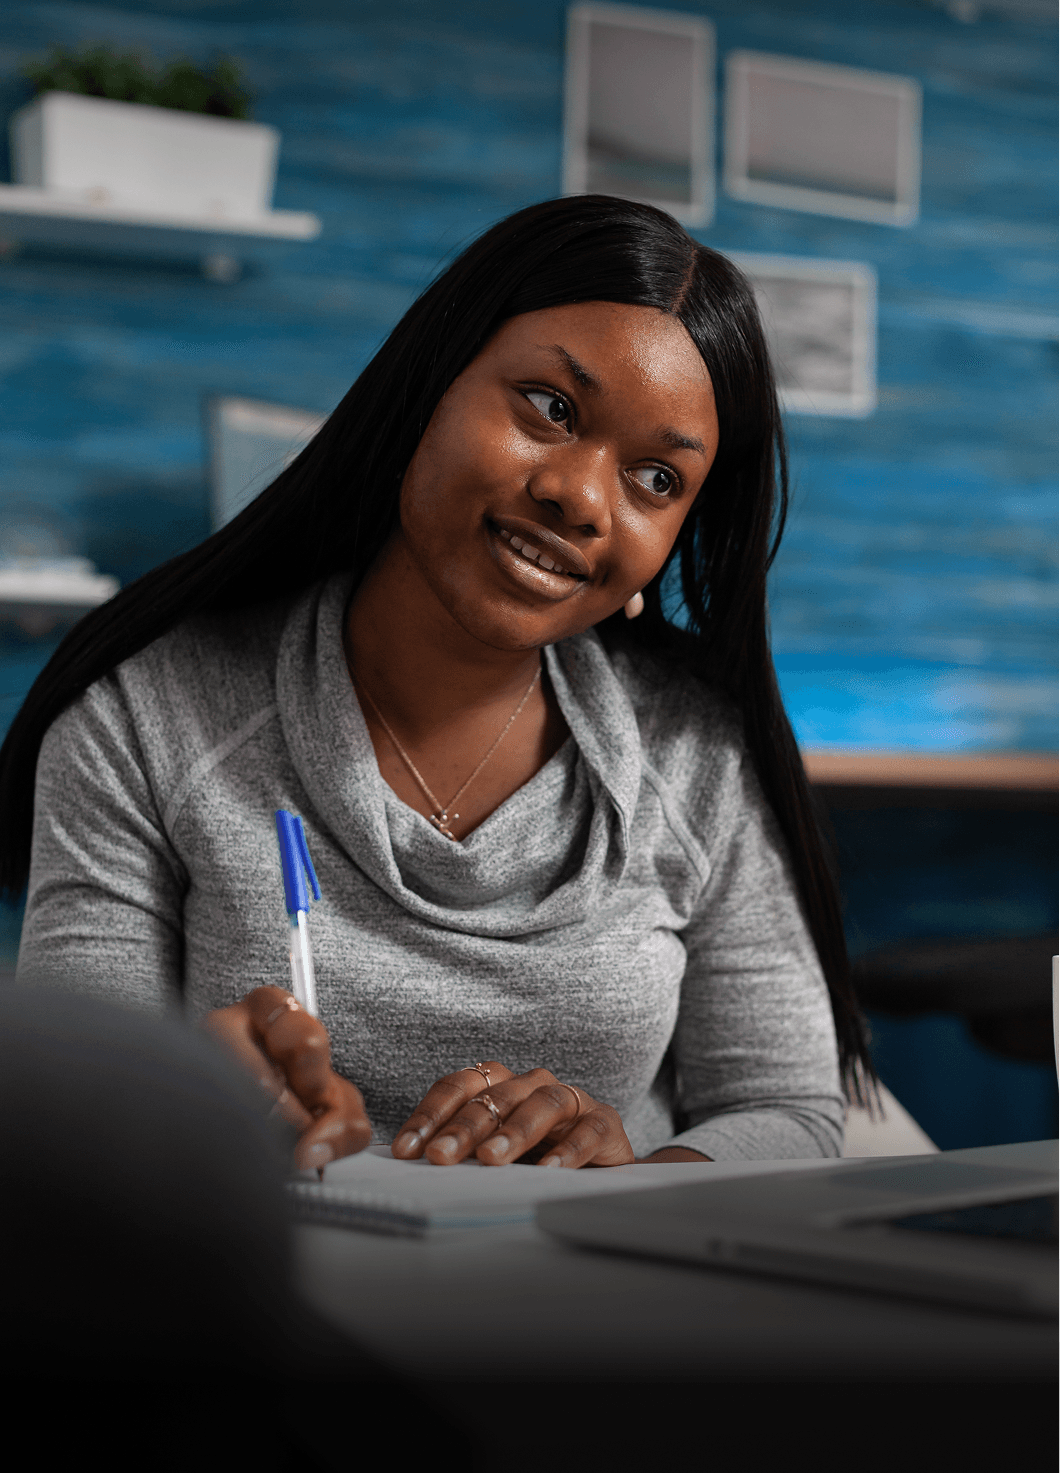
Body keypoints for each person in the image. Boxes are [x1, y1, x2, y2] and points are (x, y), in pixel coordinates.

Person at [0, 195, 873, 1174]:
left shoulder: (696, 756)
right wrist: (176, 1102)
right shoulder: (143, 720)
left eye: (655, 481)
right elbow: (63, 1127)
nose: (579, 498)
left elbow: (787, 1110)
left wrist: (638, 1184)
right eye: (551, 408)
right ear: (428, 386)